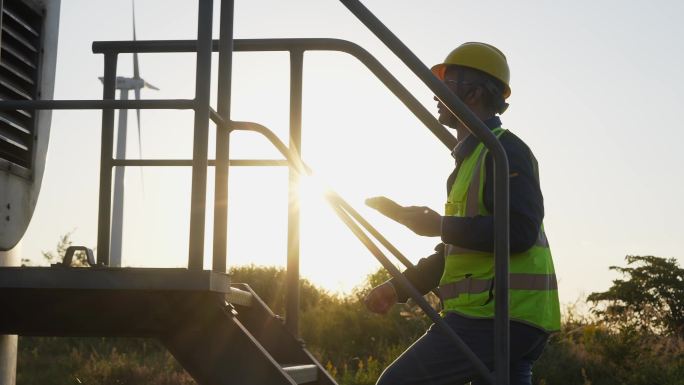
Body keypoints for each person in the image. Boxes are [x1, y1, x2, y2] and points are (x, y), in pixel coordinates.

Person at [364, 42, 560, 385]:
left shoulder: (504, 152)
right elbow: (456, 253)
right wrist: (398, 288)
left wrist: (439, 225)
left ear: (473, 93)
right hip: (512, 316)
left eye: (447, 83)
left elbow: (520, 231)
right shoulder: (472, 160)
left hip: (495, 316)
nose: (437, 93)